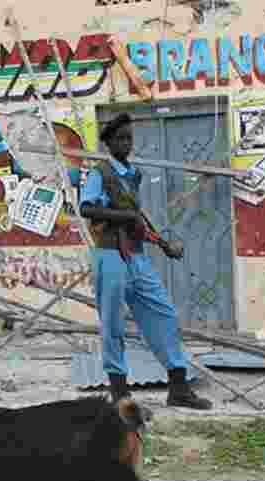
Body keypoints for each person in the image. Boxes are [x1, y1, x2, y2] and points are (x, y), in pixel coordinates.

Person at [78, 112, 212, 410]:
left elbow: (138, 222)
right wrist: (123, 216)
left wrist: (161, 244)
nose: (126, 143)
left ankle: (178, 387)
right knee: (113, 323)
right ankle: (120, 395)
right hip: (110, 255)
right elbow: (86, 208)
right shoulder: (100, 173)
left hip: (136, 255)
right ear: (109, 143)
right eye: (120, 139)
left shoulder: (133, 175)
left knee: (163, 314)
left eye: (129, 138)